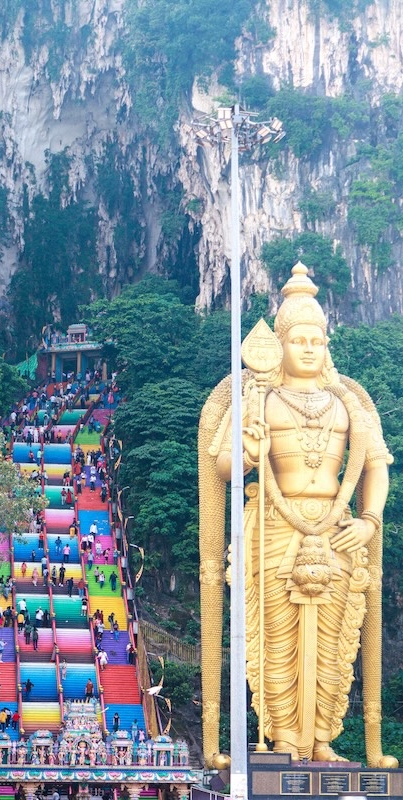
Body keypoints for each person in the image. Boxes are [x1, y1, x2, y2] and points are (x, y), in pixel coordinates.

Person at [199, 262, 398, 769]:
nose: (309, 348)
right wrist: (245, 448)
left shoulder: (348, 402)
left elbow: (376, 466)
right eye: (299, 340)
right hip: (273, 525)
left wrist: (369, 520)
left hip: (335, 529)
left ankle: (323, 739)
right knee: (275, 636)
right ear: (279, 345)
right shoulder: (257, 397)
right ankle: (285, 739)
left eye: (318, 339)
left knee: (335, 638)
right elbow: (221, 463)